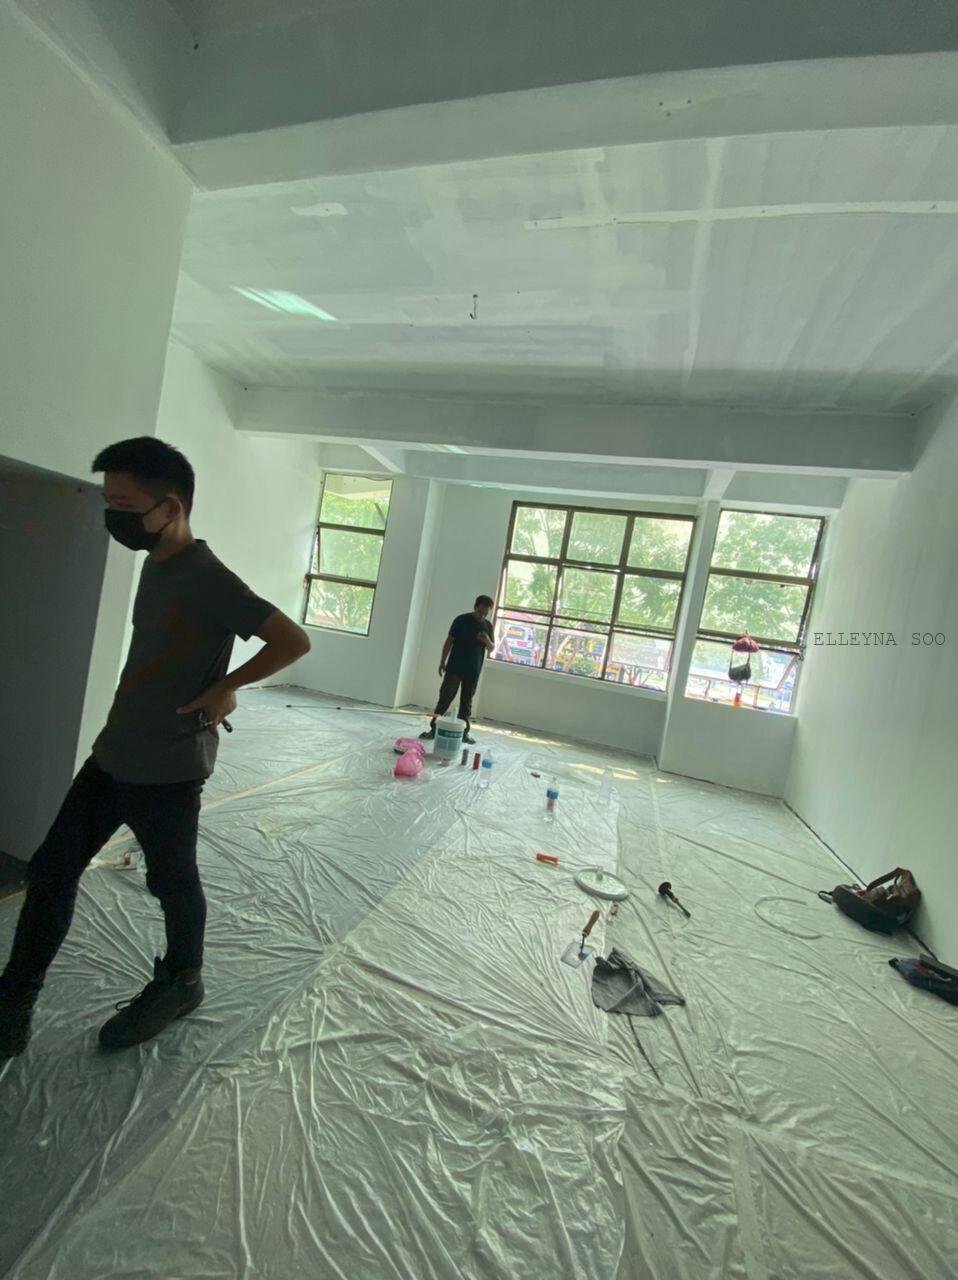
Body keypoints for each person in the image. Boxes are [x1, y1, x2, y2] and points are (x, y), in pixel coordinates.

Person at [0, 437, 311, 1059]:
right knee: (52, 871)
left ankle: (181, 981)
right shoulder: (158, 563)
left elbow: (291, 640)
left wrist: (225, 687)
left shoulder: (207, 577)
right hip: (114, 753)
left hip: (168, 768)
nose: (112, 517)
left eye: (124, 506)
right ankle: (14, 1002)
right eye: (108, 502)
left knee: (172, 881)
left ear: (170, 509)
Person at [420, 596, 495, 745]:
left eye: (486, 613)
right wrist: (442, 661)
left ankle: (464, 734)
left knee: (466, 703)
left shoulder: (488, 626)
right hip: (455, 667)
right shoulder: (461, 620)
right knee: (444, 699)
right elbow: (449, 642)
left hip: (473, 670)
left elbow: (491, 648)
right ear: (475, 607)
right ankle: (433, 729)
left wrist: (486, 640)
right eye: (480, 612)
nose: (482, 615)